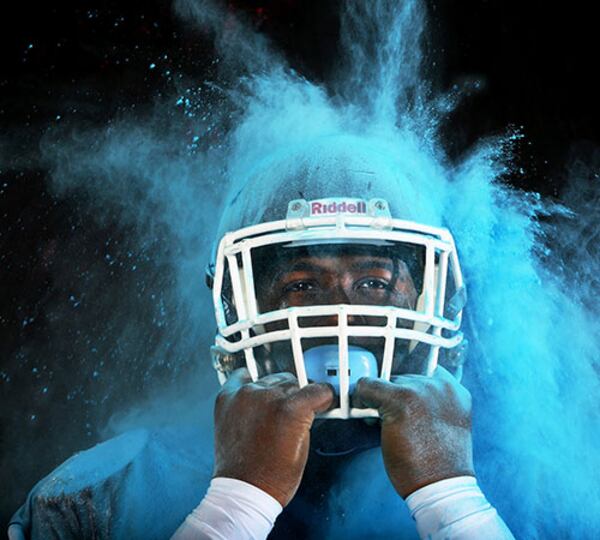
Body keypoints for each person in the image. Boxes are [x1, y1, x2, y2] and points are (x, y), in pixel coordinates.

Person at [9, 140, 514, 539]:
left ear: (430, 296)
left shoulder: (528, 479)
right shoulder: (97, 498)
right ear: (241, 301)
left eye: (374, 284)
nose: (339, 312)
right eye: (301, 286)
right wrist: (238, 501)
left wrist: (452, 498)